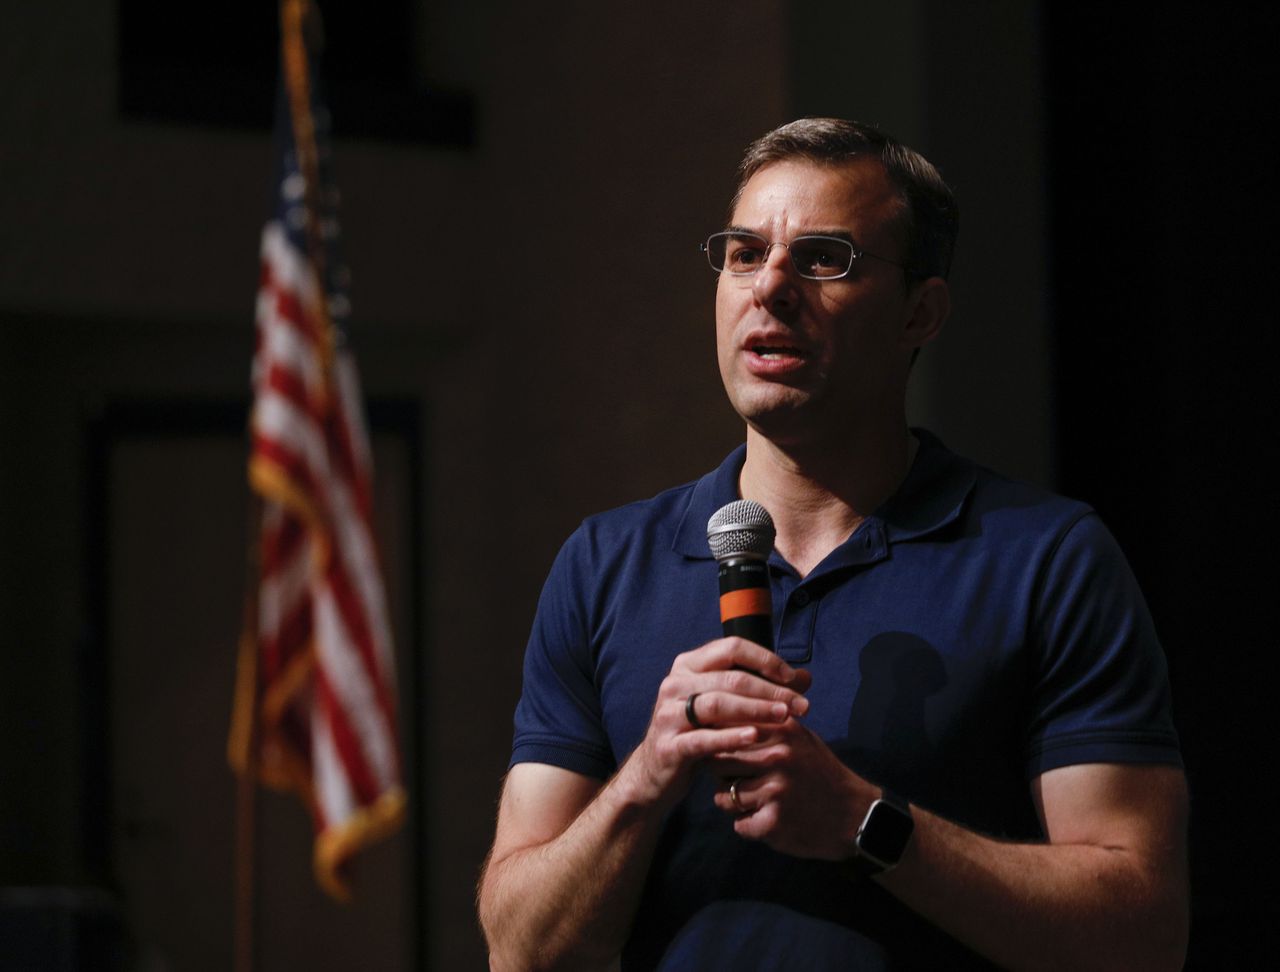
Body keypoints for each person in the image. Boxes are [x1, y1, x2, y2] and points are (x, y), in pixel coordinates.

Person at [477, 118, 1188, 970]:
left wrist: (864, 824)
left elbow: (1142, 935)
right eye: (743, 253)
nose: (769, 287)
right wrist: (648, 774)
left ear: (920, 312)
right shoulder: (603, 567)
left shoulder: (1047, 559)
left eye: (823, 258)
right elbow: (519, 950)